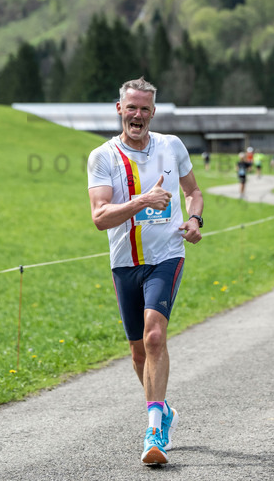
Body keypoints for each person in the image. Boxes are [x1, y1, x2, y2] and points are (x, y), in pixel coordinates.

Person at [87, 77, 203, 466]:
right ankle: (164, 407)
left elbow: (193, 191)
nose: (138, 115)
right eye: (131, 107)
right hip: (125, 262)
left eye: (145, 109)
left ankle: (153, 429)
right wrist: (143, 200)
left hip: (167, 255)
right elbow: (100, 218)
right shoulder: (102, 156)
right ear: (119, 109)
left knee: (155, 336)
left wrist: (195, 219)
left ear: (153, 112)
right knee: (138, 352)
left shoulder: (172, 146)